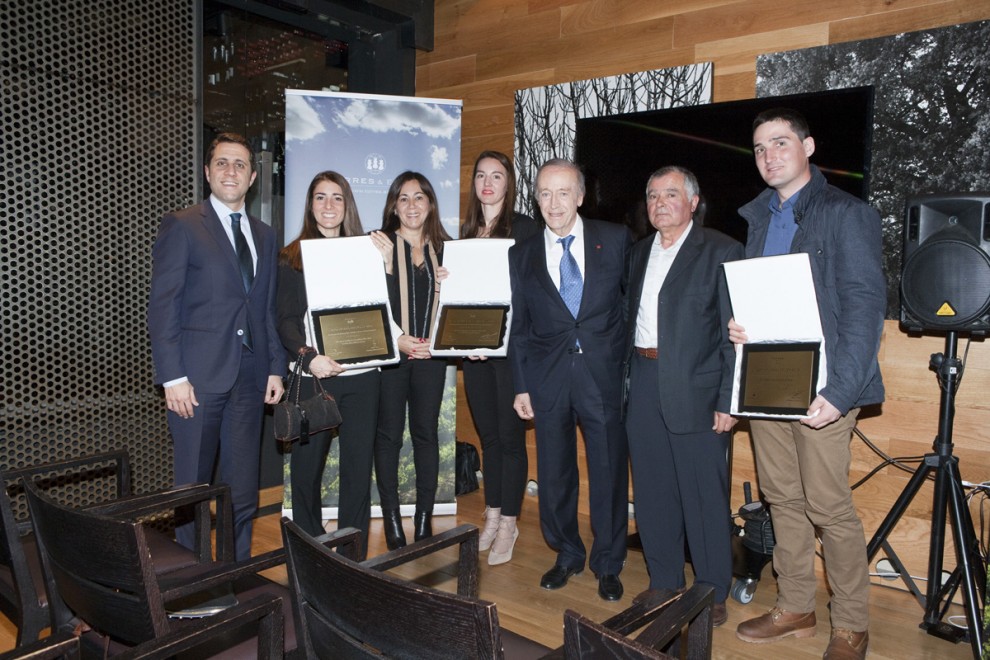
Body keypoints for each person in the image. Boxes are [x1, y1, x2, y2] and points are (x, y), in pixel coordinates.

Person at [731, 108, 884, 660]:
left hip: (824, 387)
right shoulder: (756, 218)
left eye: (780, 143)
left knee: (829, 507)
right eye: (759, 148)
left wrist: (842, 391)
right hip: (767, 386)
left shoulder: (847, 213)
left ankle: (851, 625)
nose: (769, 155)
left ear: (808, 147)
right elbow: (769, 298)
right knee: (782, 500)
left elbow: (866, 307)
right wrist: (739, 324)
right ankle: (795, 606)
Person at [148, 132, 285, 561]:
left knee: (242, 489)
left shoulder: (265, 234)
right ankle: (192, 581)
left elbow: (264, 309)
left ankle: (235, 570)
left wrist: (275, 367)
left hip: (249, 377)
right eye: (222, 163)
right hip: (196, 381)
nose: (231, 171)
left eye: (240, 165)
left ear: (253, 176)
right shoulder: (183, 224)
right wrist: (172, 377)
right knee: (192, 488)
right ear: (207, 172)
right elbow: (163, 305)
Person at [623, 166, 743, 627]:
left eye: (670, 194)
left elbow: (735, 335)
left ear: (693, 202)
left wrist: (728, 400)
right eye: (652, 195)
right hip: (643, 380)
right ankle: (664, 581)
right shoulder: (638, 255)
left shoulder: (722, 250)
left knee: (703, 497)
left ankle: (711, 592)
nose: (659, 203)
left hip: (698, 388)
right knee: (652, 491)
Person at [508, 158, 631, 601]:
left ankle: (608, 561)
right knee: (555, 473)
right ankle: (566, 553)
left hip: (602, 377)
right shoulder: (520, 254)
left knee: (608, 472)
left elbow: (630, 311)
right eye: (544, 193)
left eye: (563, 193)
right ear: (536, 198)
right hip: (547, 380)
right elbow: (518, 327)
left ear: (580, 196)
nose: (553, 203)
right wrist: (522, 385)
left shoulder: (615, 239)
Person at [276, 171, 387, 560]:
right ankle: (311, 551)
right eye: (320, 197)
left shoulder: (368, 250)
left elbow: (380, 311)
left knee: (357, 471)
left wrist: (386, 265)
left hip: (362, 376)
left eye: (337, 198)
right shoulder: (293, 255)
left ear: (347, 205)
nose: (328, 206)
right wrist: (309, 357)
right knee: (306, 470)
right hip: (314, 376)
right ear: (310, 205)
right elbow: (286, 320)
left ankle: (352, 555)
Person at [460, 150, 540, 566]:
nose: (488, 183)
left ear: (509, 183)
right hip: (475, 352)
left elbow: (528, 292)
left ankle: (510, 520)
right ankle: (491, 515)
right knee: (489, 438)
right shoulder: (467, 230)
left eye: (497, 175)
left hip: (512, 352)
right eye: (480, 175)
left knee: (510, 440)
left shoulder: (525, 228)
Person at [372, 171, 452, 550]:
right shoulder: (379, 244)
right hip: (392, 357)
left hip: (431, 359)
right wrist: (387, 267)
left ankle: (423, 518)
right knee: (388, 436)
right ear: (393, 205)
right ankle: (391, 520)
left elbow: (457, 307)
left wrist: (451, 283)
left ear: (430, 203)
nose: (412, 205)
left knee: (425, 435)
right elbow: (372, 305)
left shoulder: (447, 249)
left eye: (419, 197)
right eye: (403, 198)